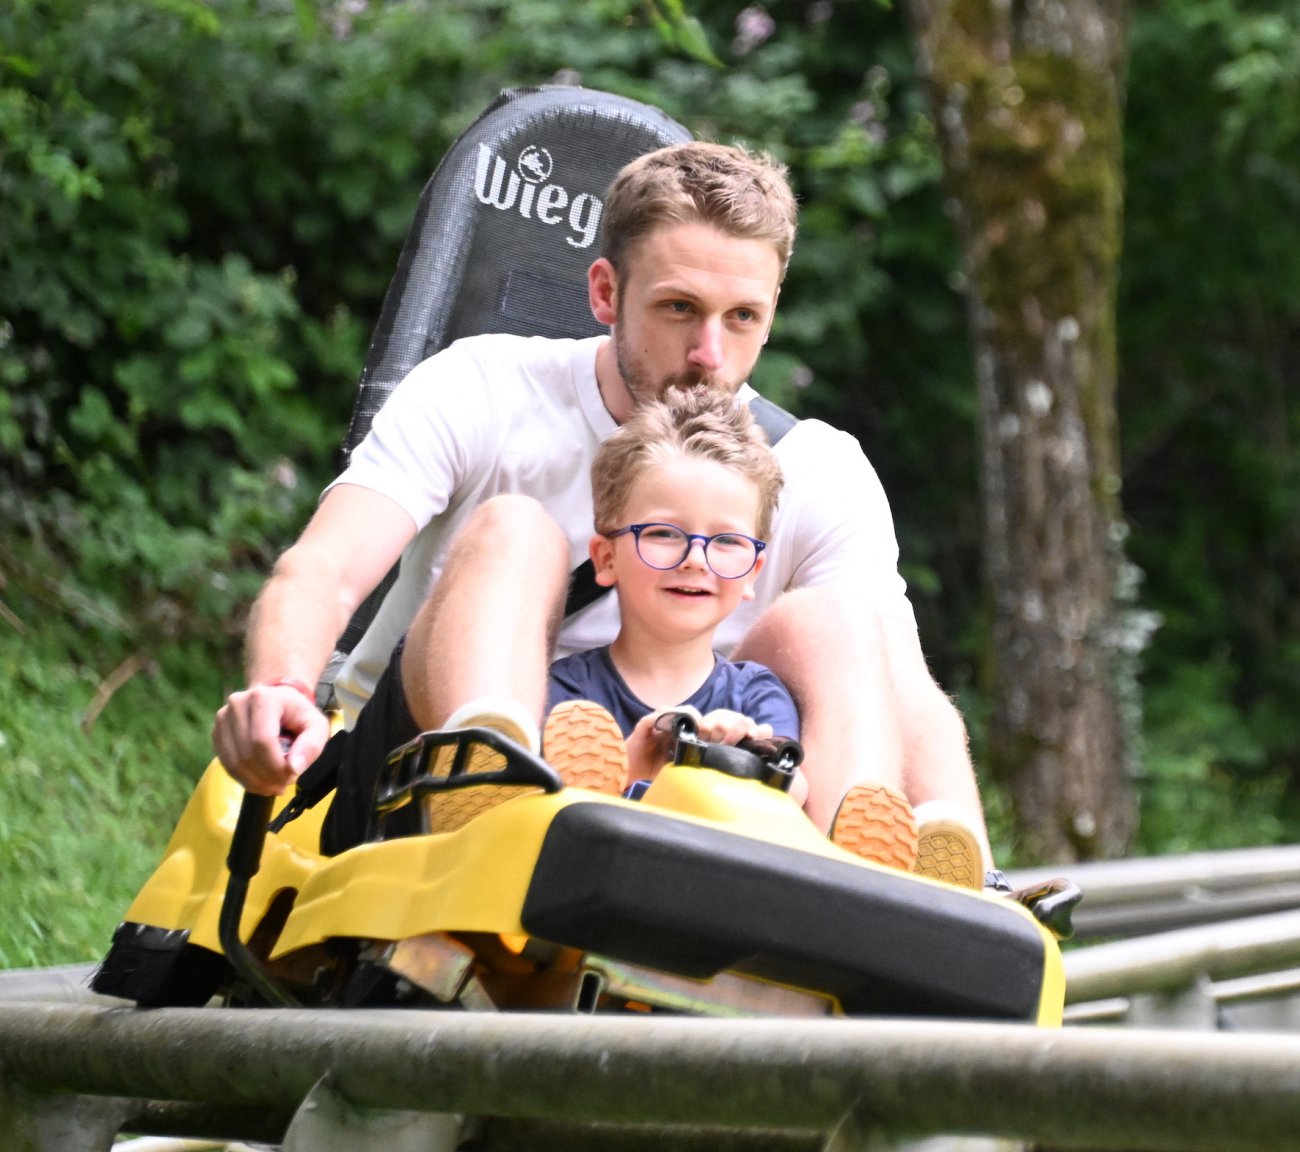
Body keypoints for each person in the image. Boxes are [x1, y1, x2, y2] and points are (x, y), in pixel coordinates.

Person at [211, 139, 991, 886]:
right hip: (412, 787)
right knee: (516, 531)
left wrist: (975, 863)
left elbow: (906, 691)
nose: (709, 355)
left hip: (704, 818)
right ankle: (499, 783)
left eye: (742, 318)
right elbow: (323, 568)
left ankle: (871, 880)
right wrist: (281, 685)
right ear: (606, 293)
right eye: (679, 308)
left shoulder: (820, 468)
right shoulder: (483, 386)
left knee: (839, 623)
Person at [543, 382, 809, 802]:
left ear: (753, 573)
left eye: (727, 542)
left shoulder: (755, 694)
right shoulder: (566, 694)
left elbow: (793, 791)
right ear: (607, 558)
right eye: (664, 533)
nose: (696, 559)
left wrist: (739, 758)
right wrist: (632, 763)